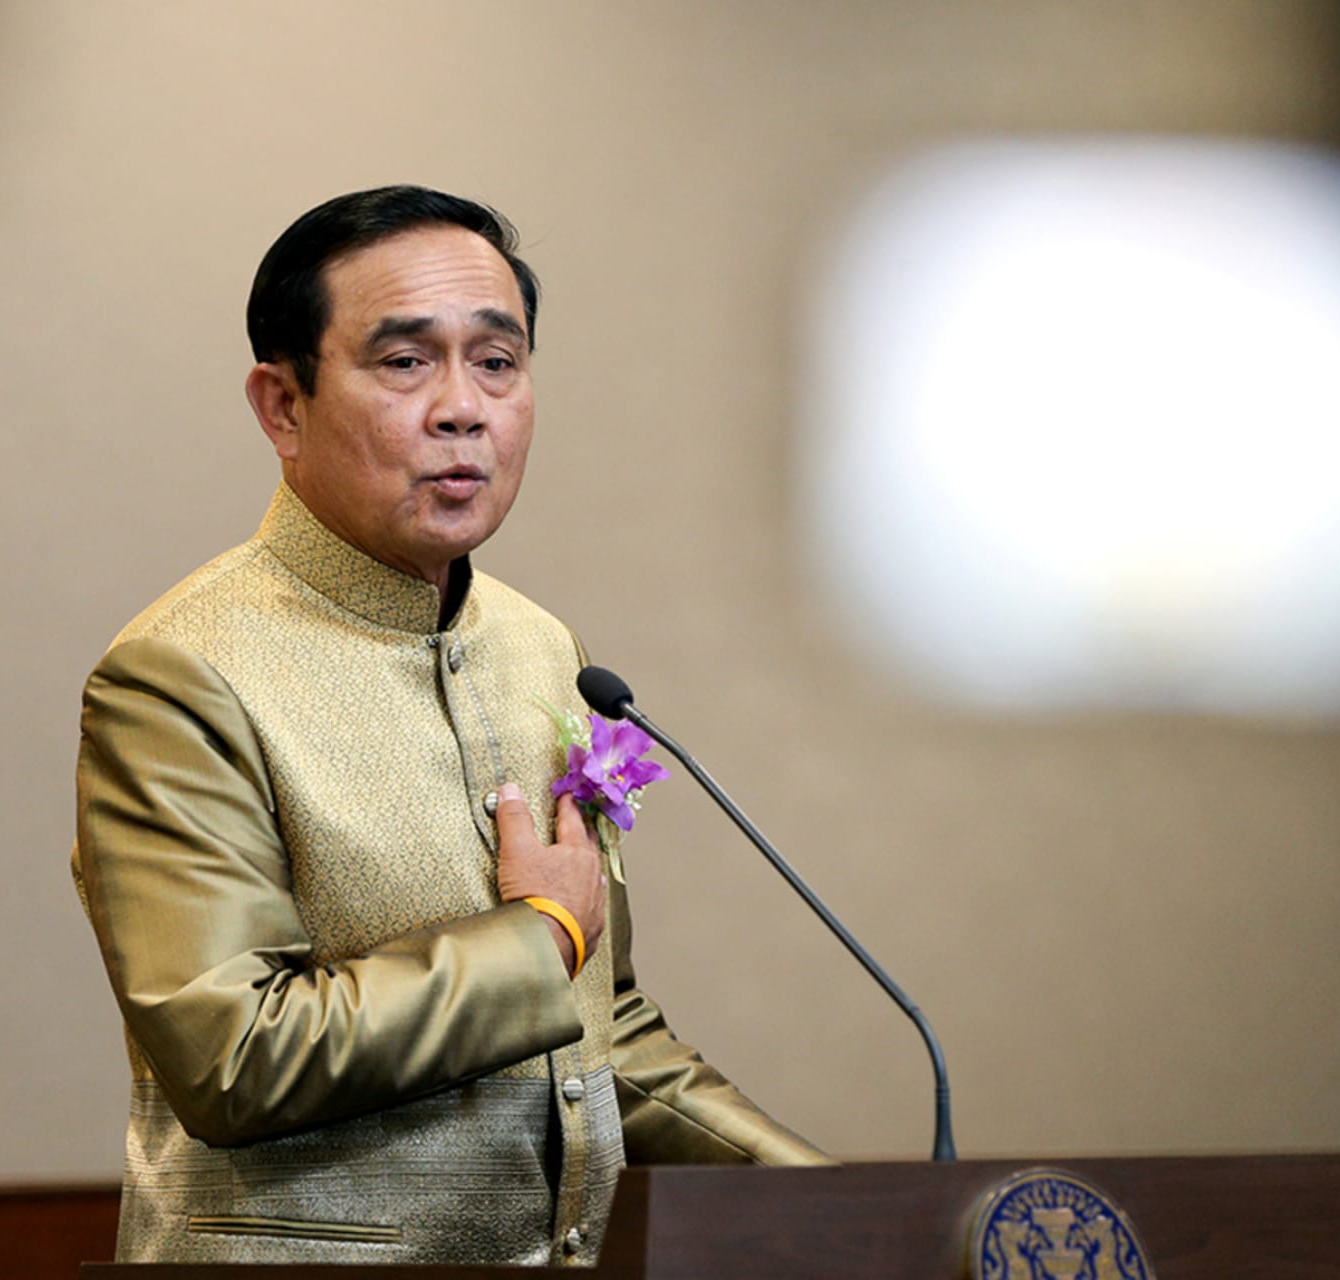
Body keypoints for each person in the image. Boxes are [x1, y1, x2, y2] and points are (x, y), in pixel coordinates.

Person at [72, 185, 829, 1268]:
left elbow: (597, 1025)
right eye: (404, 361)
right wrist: (538, 937)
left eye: (497, 361)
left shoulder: (543, 650)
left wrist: (843, 1202)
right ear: (282, 406)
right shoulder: (180, 673)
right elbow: (234, 1055)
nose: (463, 408)